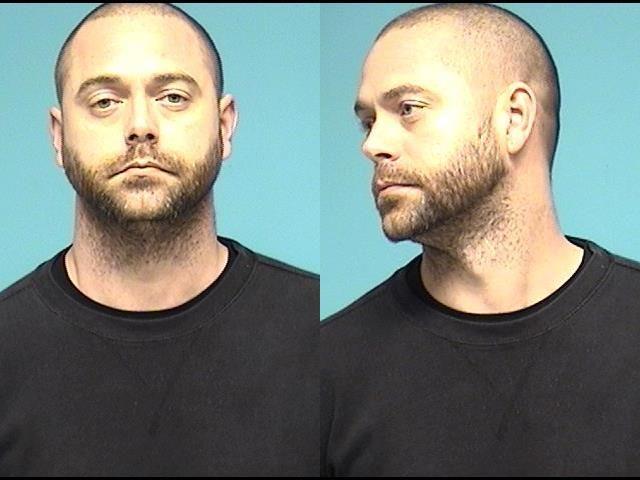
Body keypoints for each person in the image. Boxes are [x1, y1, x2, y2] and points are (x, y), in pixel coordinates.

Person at [321, 3, 640, 476]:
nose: (372, 145)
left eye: (408, 109)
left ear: (513, 118)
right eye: (369, 122)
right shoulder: (325, 373)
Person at [0, 3, 317, 476]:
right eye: (105, 101)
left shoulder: (321, 337)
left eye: (172, 97)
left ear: (224, 126)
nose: (140, 126)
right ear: (59, 137)